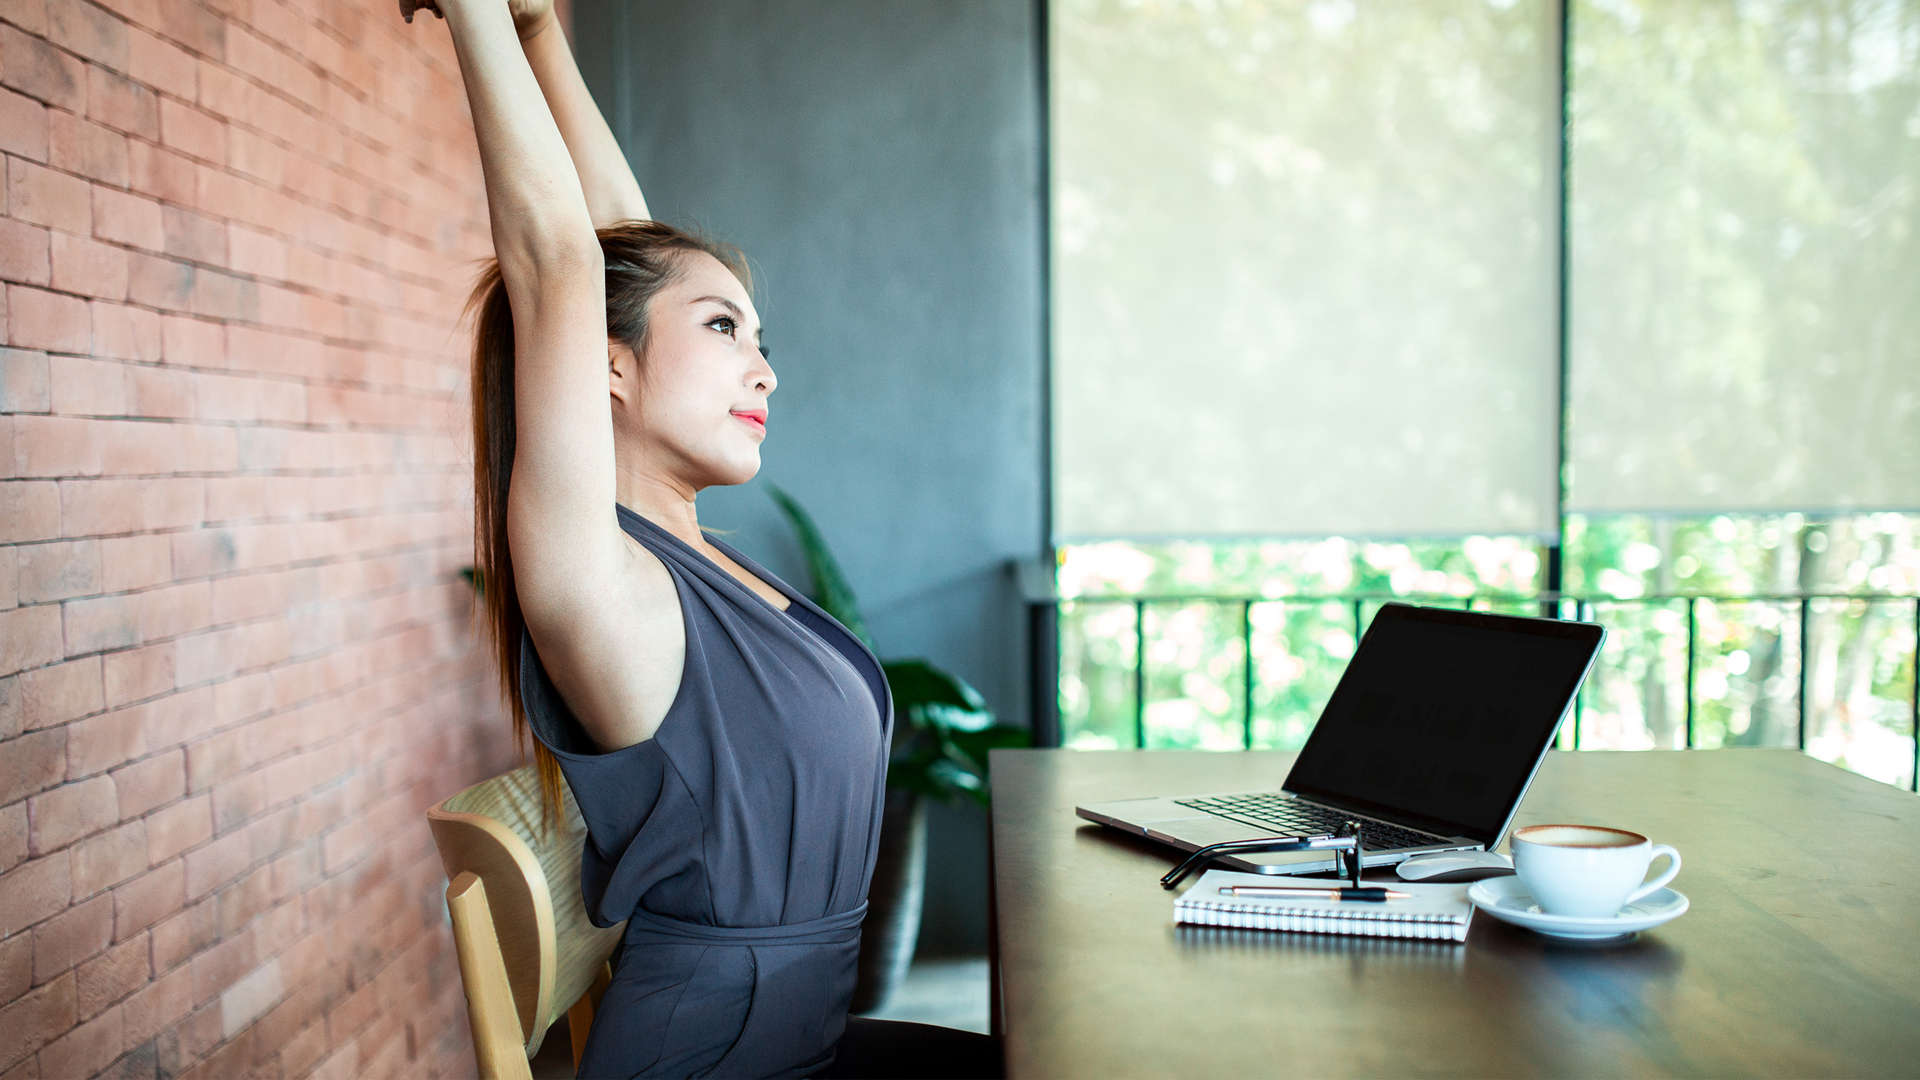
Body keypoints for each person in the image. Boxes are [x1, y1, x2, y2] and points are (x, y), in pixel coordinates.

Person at [398, 1, 1005, 1077]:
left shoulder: (693, 563)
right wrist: (482, 13)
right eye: (726, 330)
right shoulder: (606, 584)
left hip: (802, 1039)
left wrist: (545, 33)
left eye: (760, 339)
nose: (764, 369)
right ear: (609, 367)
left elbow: (631, 256)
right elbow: (562, 265)